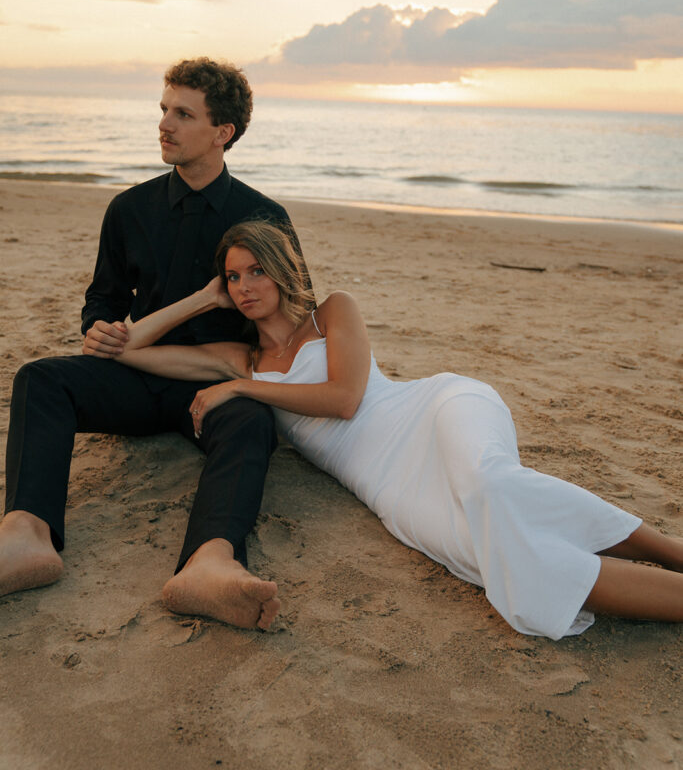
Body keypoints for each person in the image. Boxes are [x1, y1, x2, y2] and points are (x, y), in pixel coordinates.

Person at [104, 219, 682, 640]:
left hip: (433, 410)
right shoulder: (239, 356)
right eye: (233, 277)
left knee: (491, 486)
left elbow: (345, 398)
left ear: (284, 271)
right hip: (389, 487)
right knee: (493, 554)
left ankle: (673, 552)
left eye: (256, 270)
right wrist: (202, 299)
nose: (245, 286)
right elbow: (130, 351)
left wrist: (241, 388)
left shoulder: (331, 312)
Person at [0, 60, 308, 630]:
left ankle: (208, 564)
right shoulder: (128, 209)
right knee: (39, 378)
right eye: (164, 110)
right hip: (137, 377)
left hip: (217, 386)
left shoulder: (265, 218)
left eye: (183, 114)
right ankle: (26, 535)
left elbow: (290, 314)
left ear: (223, 134)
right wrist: (99, 327)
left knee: (254, 423)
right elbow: (103, 299)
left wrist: (243, 373)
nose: (164, 124)